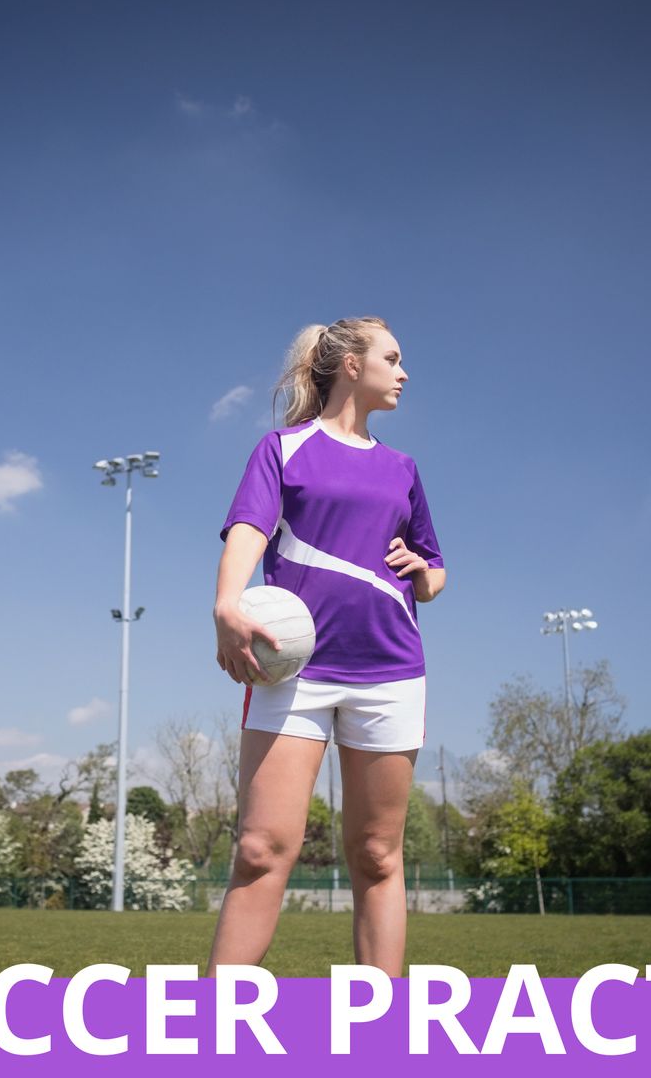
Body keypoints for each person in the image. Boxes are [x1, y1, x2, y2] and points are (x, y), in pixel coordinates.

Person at [207, 316, 446, 977]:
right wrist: (228, 602)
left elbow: (435, 573)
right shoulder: (282, 450)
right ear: (350, 365)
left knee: (376, 856)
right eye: (392, 358)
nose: (403, 373)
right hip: (295, 676)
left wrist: (422, 571)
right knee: (259, 850)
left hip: (390, 671)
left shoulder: (403, 469)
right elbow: (248, 531)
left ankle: (380, 1036)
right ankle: (207, 1034)